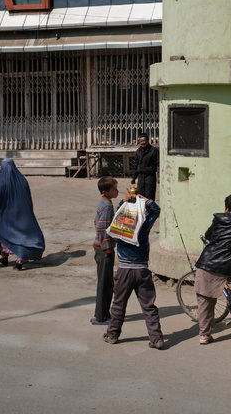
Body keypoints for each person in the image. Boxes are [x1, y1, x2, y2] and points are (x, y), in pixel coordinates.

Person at [103, 193, 163, 349]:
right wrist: (146, 200)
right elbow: (156, 210)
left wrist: (123, 202)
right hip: (142, 270)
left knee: (119, 304)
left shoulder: (120, 223)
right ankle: (156, 338)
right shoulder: (144, 225)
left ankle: (112, 335)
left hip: (124, 270)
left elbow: (118, 212)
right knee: (149, 306)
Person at [194, 194, 231, 345]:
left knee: (205, 301)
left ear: (226, 209)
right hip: (230, 265)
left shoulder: (218, 220)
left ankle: (205, 335)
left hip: (209, 264)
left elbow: (208, 235)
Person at [0, 158, 45, 271]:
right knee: (21, 236)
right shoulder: (23, 180)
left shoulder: (2, 182)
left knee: (4, 234)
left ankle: (4, 256)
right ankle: (19, 261)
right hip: (22, 215)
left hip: (5, 216)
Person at [92, 176, 119, 325]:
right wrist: (107, 248)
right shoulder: (107, 206)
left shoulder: (104, 201)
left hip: (100, 248)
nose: (117, 191)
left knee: (105, 282)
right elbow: (102, 228)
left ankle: (101, 314)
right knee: (105, 284)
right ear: (105, 192)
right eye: (114, 189)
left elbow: (96, 221)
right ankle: (101, 316)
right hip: (104, 250)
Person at [131, 133, 159, 201]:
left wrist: (159, 176)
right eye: (141, 141)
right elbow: (136, 165)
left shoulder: (154, 150)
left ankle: (149, 208)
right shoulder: (138, 151)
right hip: (141, 176)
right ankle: (142, 208)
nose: (142, 143)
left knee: (149, 196)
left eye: (144, 141)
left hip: (150, 176)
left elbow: (158, 164)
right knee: (140, 196)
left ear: (147, 141)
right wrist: (134, 178)